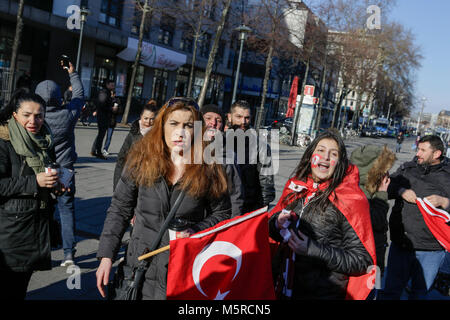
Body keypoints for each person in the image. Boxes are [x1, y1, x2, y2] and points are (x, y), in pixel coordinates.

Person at [96, 97, 232, 300]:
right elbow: (120, 208)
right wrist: (106, 256)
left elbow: (223, 213)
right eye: (174, 123)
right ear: (162, 126)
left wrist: (195, 231)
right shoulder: (141, 158)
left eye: (188, 125)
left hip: (182, 272)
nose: (181, 132)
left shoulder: (208, 166)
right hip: (140, 266)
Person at [268, 129, 376, 300]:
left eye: (333, 154)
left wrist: (312, 249)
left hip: (322, 293)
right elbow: (273, 232)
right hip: (284, 286)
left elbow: (362, 260)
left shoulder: (351, 199)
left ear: (339, 163)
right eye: (320, 150)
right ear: (311, 155)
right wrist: (276, 223)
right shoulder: (297, 186)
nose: (325, 157)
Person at [0, 90, 61, 299]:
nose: (33, 121)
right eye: (27, 114)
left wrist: (57, 184)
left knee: (20, 287)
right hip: (10, 231)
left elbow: (47, 170)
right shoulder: (4, 141)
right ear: (15, 114)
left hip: (36, 225)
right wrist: (35, 182)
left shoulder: (44, 139)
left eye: (39, 115)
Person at [380, 135, 450, 300]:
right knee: (391, 291)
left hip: (431, 250)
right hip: (401, 244)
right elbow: (385, 188)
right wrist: (401, 191)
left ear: (437, 153)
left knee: (419, 293)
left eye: (422, 150)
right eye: (418, 148)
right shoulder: (407, 168)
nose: (417, 153)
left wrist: (445, 202)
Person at [35, 60, 84, 266]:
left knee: (42, 210)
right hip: (65, 170)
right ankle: (68, 254)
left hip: (42, 170)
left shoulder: (36, 118)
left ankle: (41, 252)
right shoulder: (68, 115)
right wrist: (73, 74)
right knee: (66, 209)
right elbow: (80, 97)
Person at [350, 145, 396, 273]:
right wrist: (382, 194)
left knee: (375, 287)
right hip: (367, 263)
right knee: (371, 289)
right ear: (374, 171)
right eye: (385, 170)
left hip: (372, 260)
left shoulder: (366, 187)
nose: (387, 174)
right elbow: (377, 222)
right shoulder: (361, 194)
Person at [226, 100, 275, 213]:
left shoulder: (261, 147)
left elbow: (267, 185)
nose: (243, 121)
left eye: (247, 118)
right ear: (230, 117)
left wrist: (258, 211)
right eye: (238, 116)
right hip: (222, 209)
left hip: (248, 209)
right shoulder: (221, 142)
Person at [200, 103, 245, 217]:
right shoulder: (187, 149)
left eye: (218, 120)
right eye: (208, 118)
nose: (213, 123)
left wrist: (233, 224)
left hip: (214, 220)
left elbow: (236, 194)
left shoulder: (227, 155)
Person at [113, 100, 159, 190]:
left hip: (148, 181)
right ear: (141, 117)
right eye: (145, 118)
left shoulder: (158, 135)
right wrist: (117, 183)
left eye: (152, 119)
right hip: (130, 177)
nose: (148, 122)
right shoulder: (133, 133)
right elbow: (121, 159)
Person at [91, 79, 115, 160]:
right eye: (111, 85)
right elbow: (102, 104)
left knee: (101, 134)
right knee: (101, 134)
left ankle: (94, 150)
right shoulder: (104, 92)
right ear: (107, 85)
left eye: (113, 85)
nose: (113, 87)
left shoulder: (107, 92)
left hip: (104, 116)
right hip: (102, 116)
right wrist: (111, 108)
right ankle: (98, 152)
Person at [102, 91, 120, 157]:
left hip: (111, 121)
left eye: (112, 94)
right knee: (101, 135)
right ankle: (96, 148)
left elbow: (119, 110)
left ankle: (105, 149)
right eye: (110, 94)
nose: (111, 95)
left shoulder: (117, 101)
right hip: (105, 120)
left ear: (114, 94)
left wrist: (116, 109)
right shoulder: (106, 100)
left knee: (109, 137)